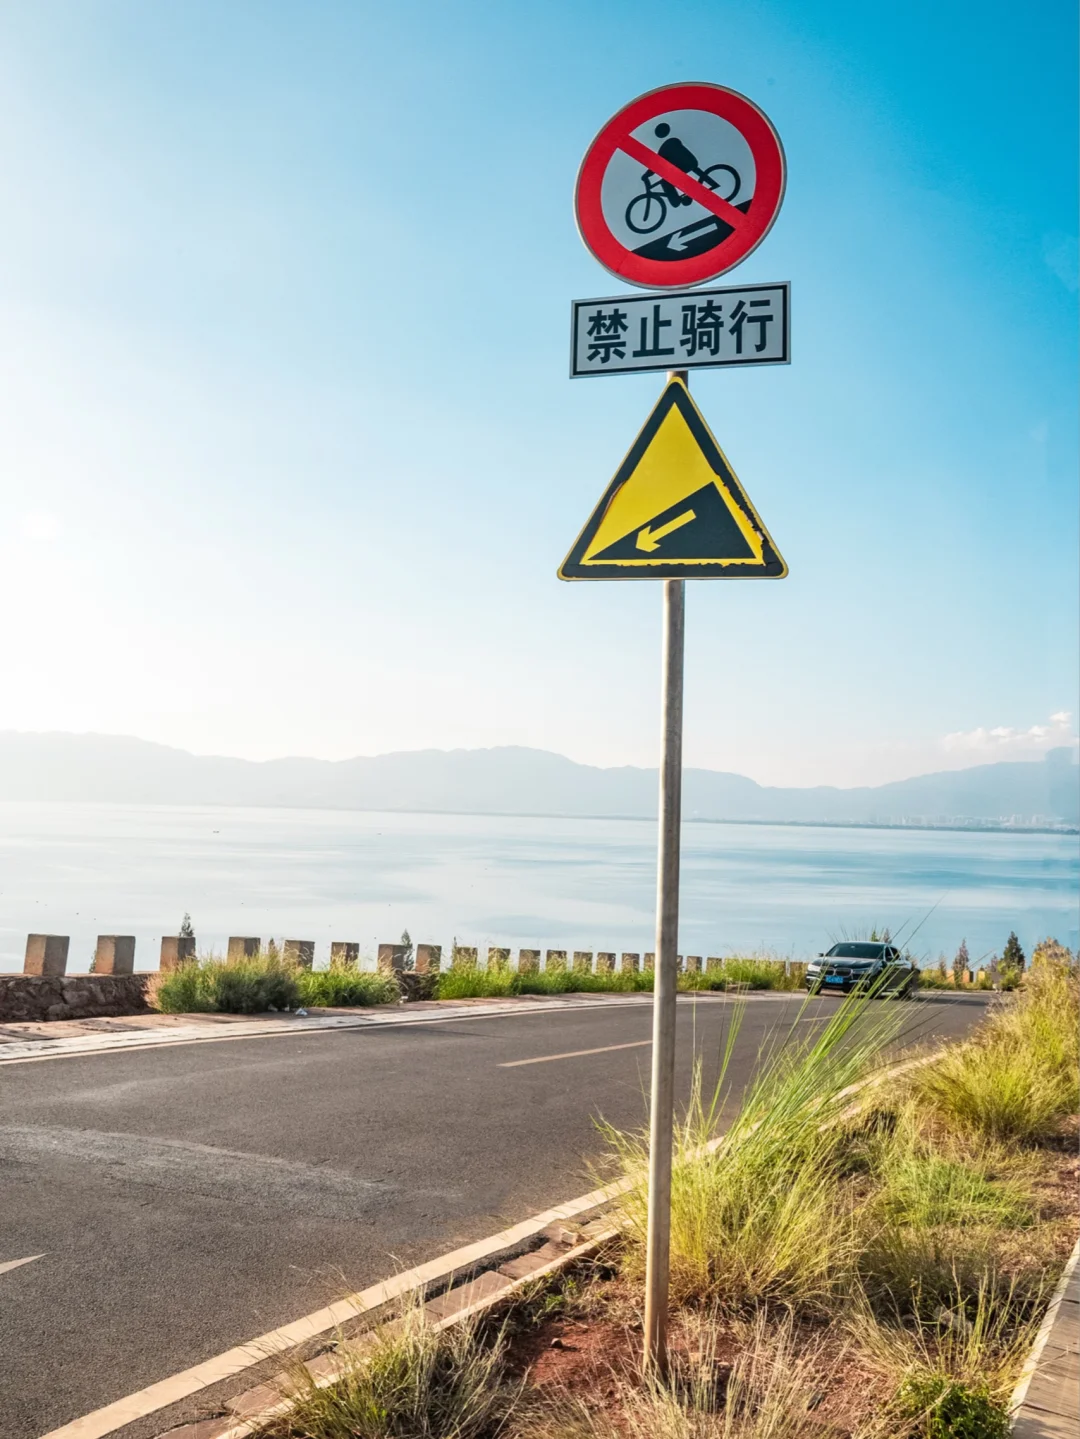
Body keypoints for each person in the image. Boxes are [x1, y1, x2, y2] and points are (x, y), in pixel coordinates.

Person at [648, 122, 705, 206]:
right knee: (671, 176)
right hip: (688, 163)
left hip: (686, 164)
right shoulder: (672, 141)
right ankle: (684, 196)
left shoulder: (666, 146)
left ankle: (677, 200)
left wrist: (646, 175)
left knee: (666, 181)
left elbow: (657, 163)